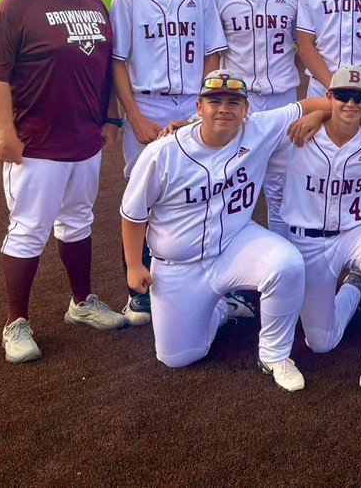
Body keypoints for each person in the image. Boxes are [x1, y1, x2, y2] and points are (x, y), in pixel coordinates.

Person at [119, 70, 341, 390]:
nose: (224, 108)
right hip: (178, 265)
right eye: (215, 101)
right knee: (177, 357)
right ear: (198, 107)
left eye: (233, 102)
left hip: (236, 244)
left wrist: (323, 113)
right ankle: (219, 308)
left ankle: (275, 354)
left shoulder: (259, 128)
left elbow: (311, 103)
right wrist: (134, 264)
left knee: (287, 262)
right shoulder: (162, 153)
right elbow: (133, 214)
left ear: (246, 108)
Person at [0, 0, 126, 363]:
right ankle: (15, 324)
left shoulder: (95, 4)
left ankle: (81, 304)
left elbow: (103, 69)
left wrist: (108, 119)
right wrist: (5, 133)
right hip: (36, 145)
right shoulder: (16, 6)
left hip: (84, 141)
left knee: (78, 222)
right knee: (28, 231)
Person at [110, 0, 226, 325]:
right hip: (148, 102)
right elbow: (118, 62)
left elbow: (214, 54)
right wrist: (133, 116)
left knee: (198, 186)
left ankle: (198, 278)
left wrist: (205, 104)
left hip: (193, 103)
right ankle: (138, 288)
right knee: (142, 193)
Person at [274, 65, 361, 409]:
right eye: (343, 95)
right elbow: (243, 129)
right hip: (307, 241)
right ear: (328, 95)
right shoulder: (296, 135)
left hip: (354, 233)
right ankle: (353, 289)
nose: (351, 102)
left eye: (360, 96)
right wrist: (315, 112)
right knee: (321, 342)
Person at [211, 0, 300, 235]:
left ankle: (285, 267)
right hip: (238, 102)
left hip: (281, 99)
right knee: (231, 186)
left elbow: (304, 44)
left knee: (281, 191)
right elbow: (212, 54)